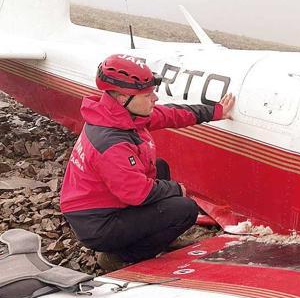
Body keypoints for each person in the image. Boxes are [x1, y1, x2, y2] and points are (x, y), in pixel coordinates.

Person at [60, 54, 235, 271]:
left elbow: (171, 114)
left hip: (100, 205)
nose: (155, 98)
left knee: (160, 166)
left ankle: (155, 236)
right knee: (185, 210)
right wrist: (176, 189)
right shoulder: (111, 142)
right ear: (124, 97)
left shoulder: (118, 114)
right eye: (148, 94)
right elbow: (137, 193)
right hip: (97, 223)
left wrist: (215, 111)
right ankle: (120, 257)